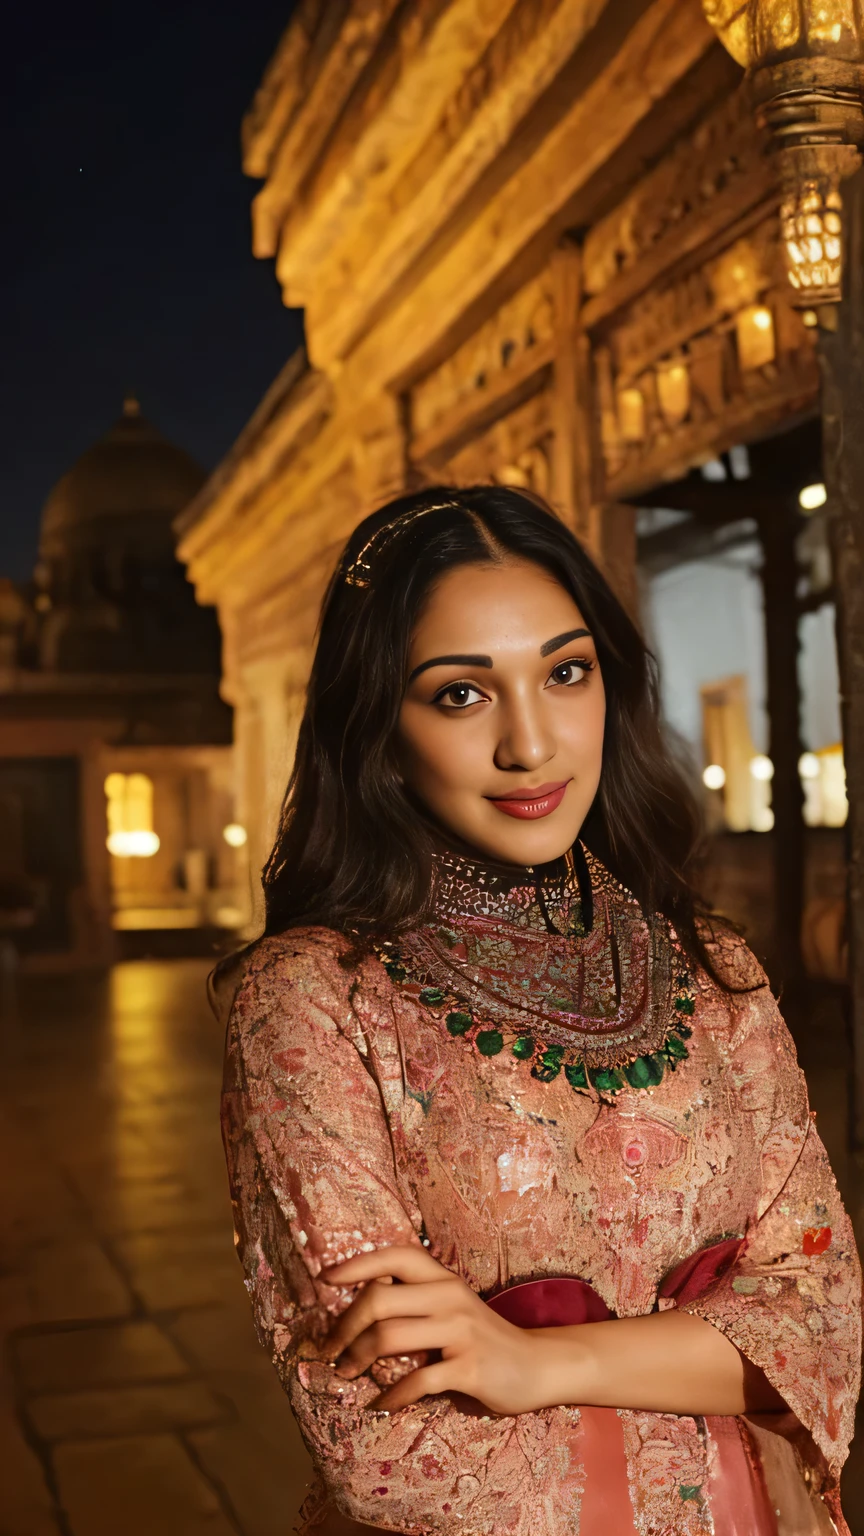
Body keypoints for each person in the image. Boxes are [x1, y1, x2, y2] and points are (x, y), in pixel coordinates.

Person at [215, 486, 861, 1536]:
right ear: (376, 718)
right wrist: (710, 1351)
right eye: (461, 695)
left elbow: (828, 1320)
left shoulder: (709, 966)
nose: (531, 743)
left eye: (566, 673)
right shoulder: (315, 999)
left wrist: (529, 1360)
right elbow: (385, 1446)